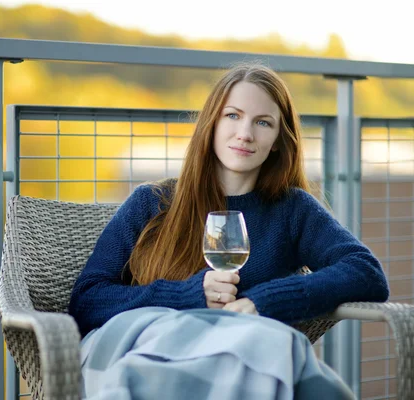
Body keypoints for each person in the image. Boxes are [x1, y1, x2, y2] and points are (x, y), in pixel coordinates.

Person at [68, 62, 389, 400]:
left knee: (275, 346)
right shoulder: (152, 203)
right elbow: (86, 300)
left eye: (262, 122)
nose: (245, 133)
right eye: (232, 115)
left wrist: (263, 302)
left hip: (246, 358)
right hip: (150, 352)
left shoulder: (292, 209)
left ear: (279, 140)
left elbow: (366, 273)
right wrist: (187, 296)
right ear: (212, 124)